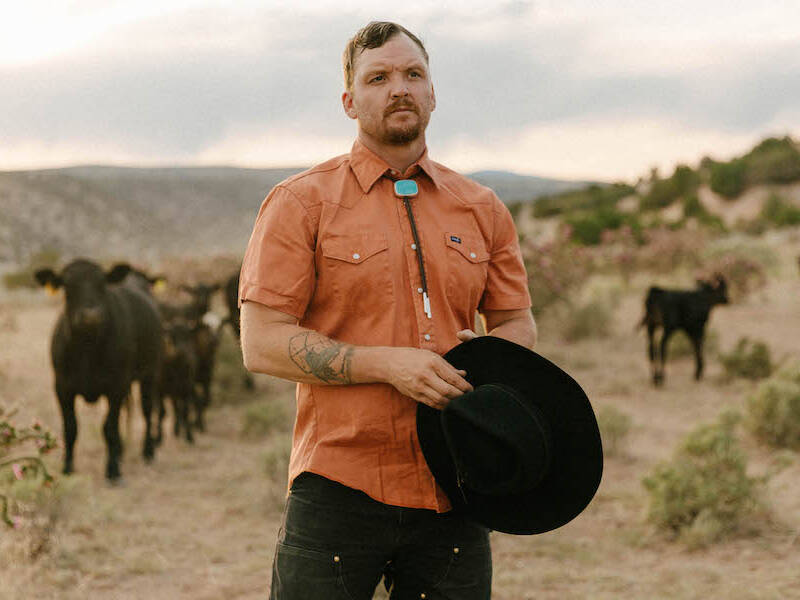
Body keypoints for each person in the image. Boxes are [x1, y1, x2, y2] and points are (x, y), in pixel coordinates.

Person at [239, 20, 536, 600]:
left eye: (412, 74)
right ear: (350, 102)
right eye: (377, 78)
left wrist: (489, 361)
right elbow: (261, 341)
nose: (399, 88)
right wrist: (387, 364)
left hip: (457, 480)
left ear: (432, 94)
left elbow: (514, 320)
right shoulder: (301, 202)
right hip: (339, 482)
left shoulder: (482, 208)